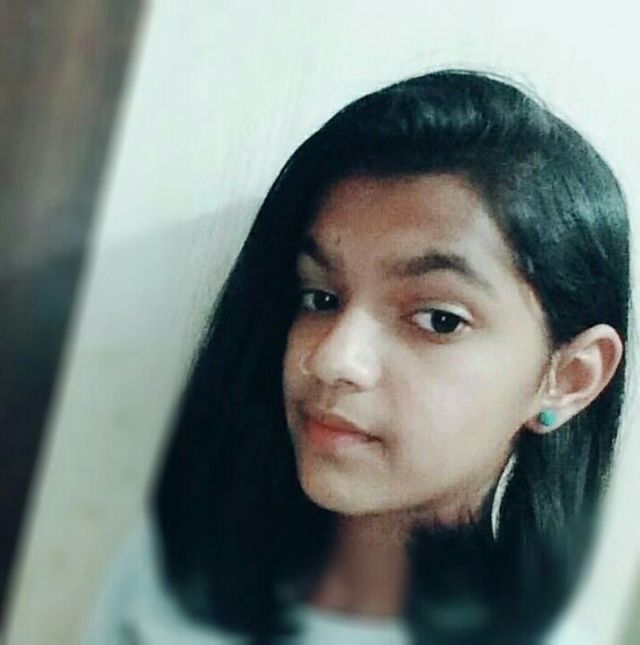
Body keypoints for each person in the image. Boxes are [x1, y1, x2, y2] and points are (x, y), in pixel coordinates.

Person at [83, 69, 630, 644]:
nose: (333, 359)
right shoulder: (174, 575)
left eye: (439, 319)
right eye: (320, 298)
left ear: (571, 377)